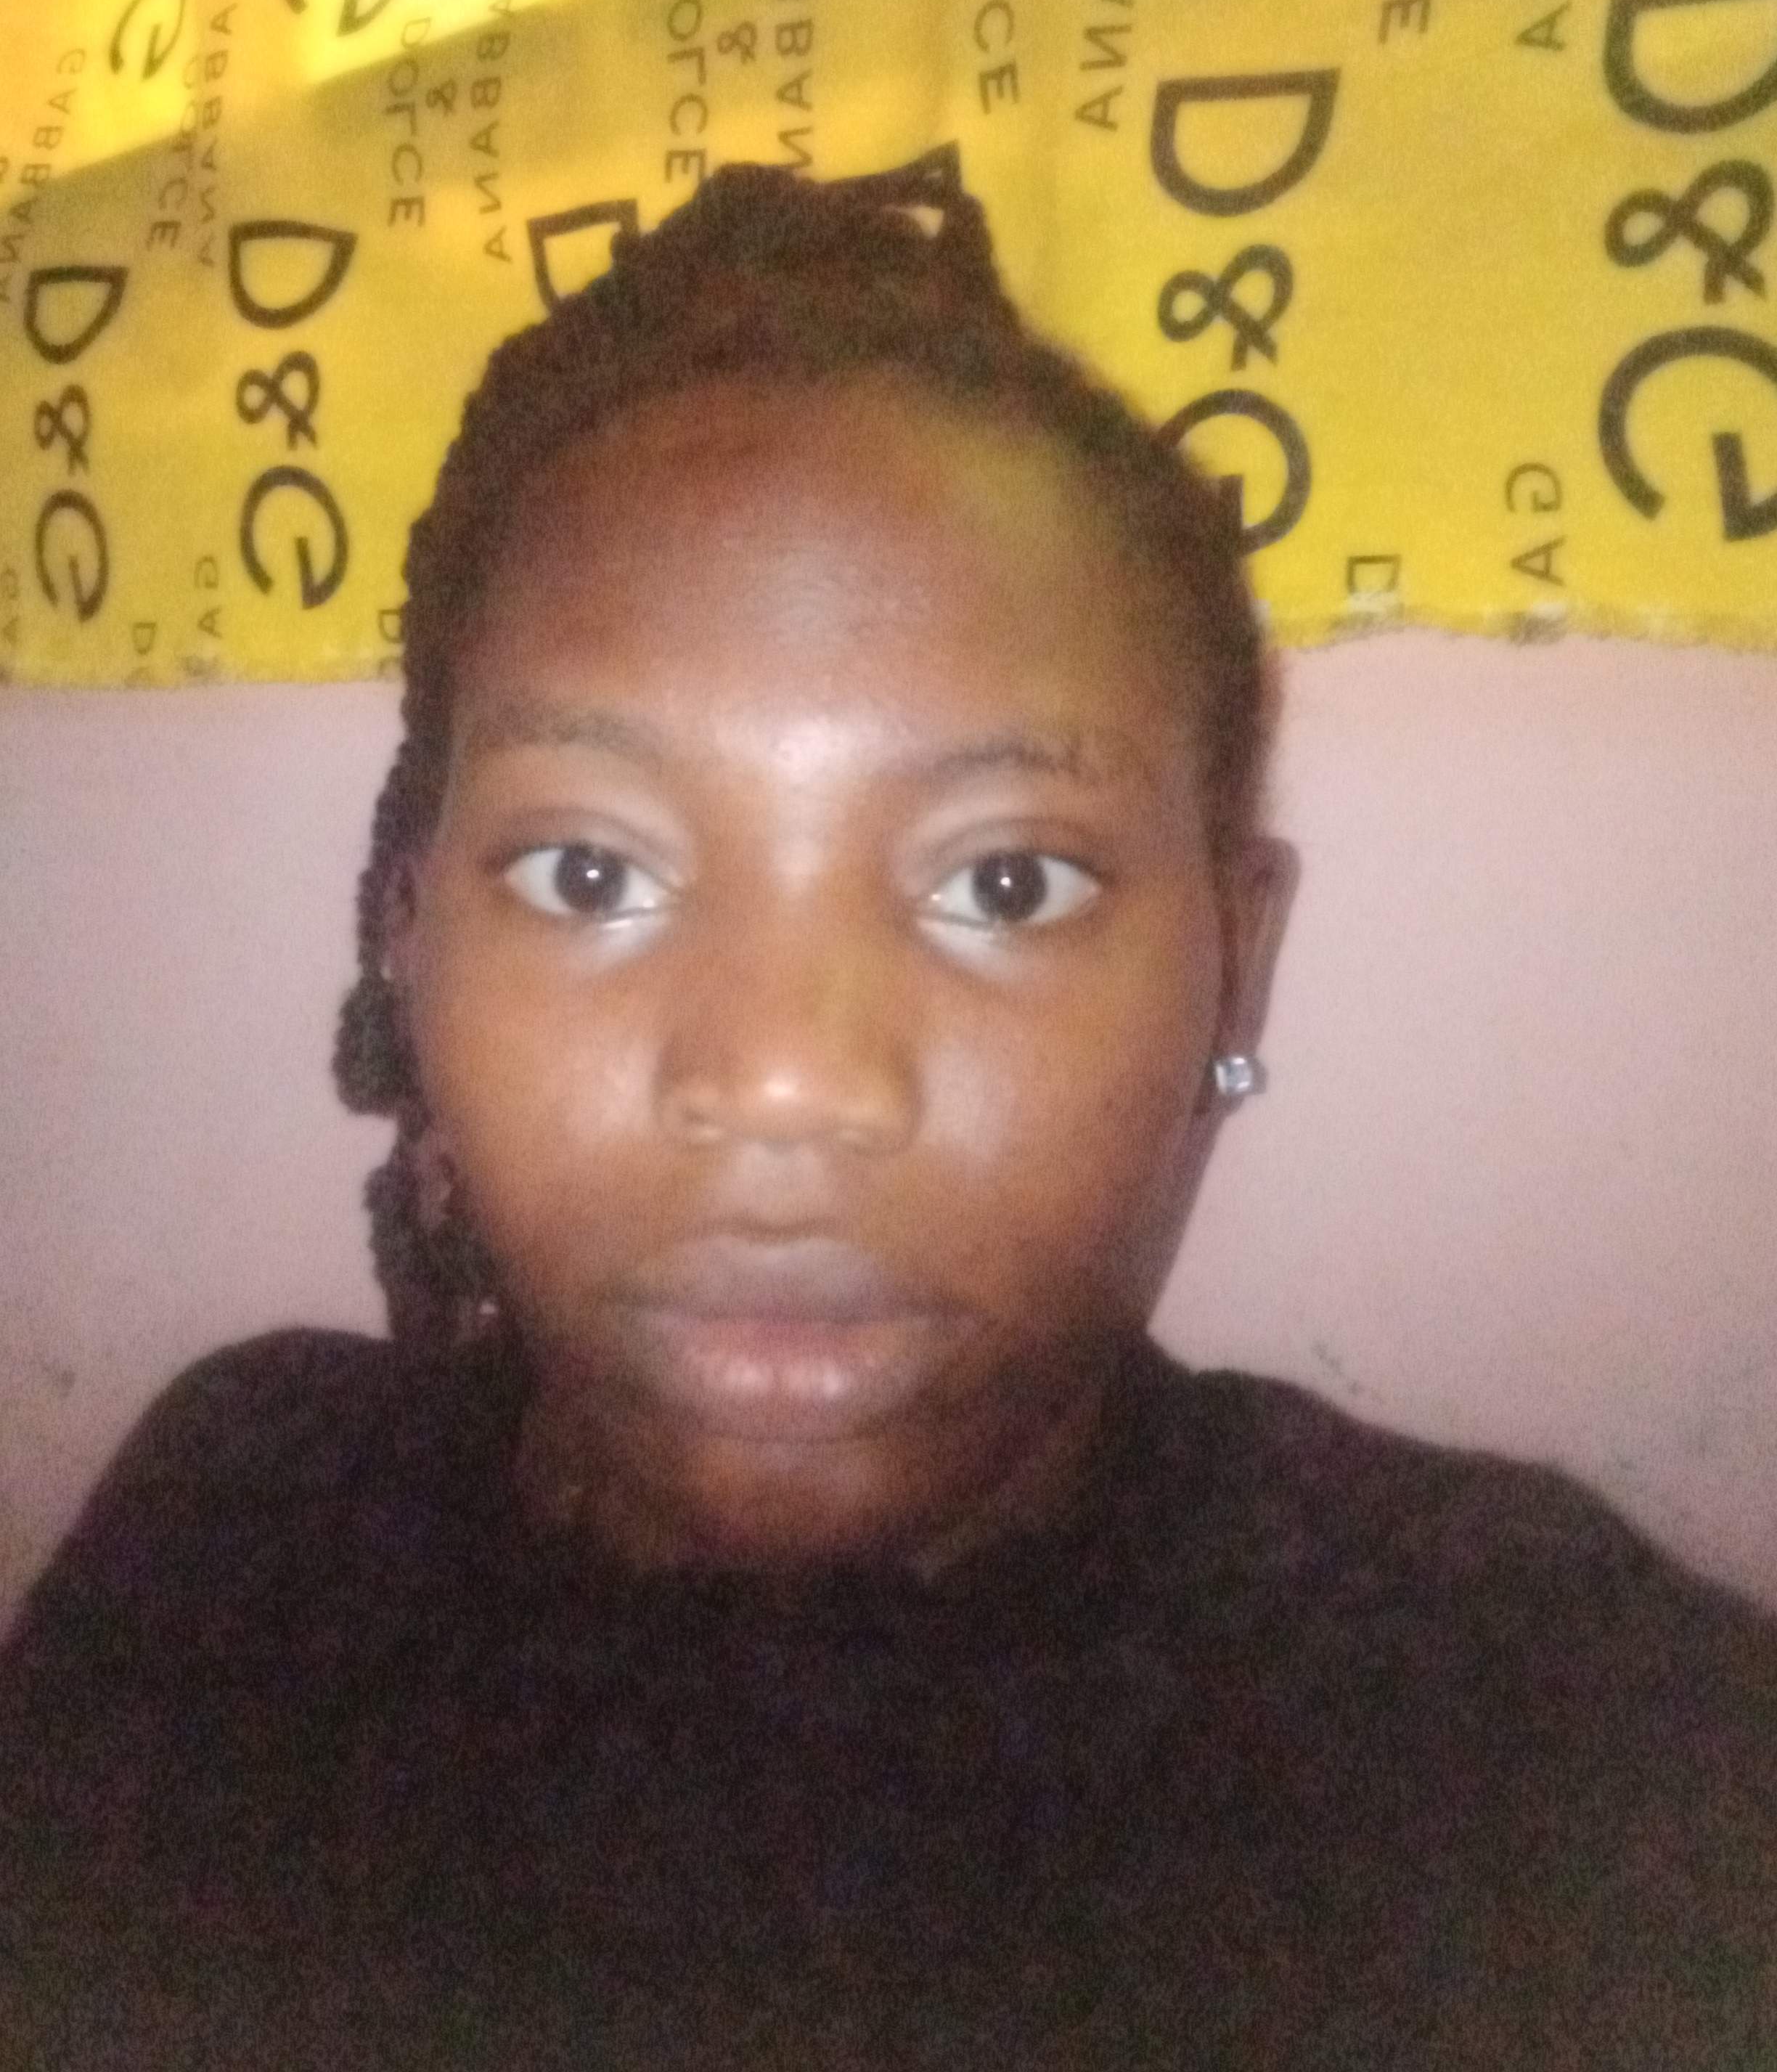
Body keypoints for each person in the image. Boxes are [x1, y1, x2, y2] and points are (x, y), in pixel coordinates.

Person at [1, 158, 1772, 2072]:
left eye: (1005, 881)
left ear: (1236, 966)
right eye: (591, 873)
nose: (784, 1077)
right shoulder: (238, 1542)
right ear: (408, 942)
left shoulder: (1543, 1729)